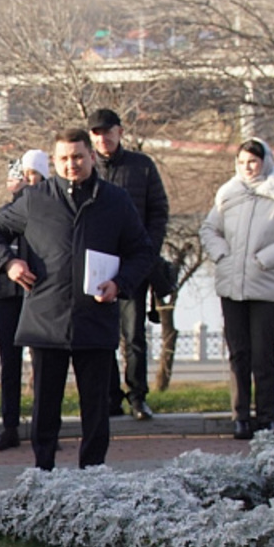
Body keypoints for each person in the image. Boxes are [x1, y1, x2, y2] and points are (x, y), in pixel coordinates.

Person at [0, 128, 152, 471]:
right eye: (64, 159)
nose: (71, 164)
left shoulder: (115, 201)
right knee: (45, 406)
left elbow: (142, 252)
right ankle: (43, 474)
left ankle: (93, 474)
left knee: (97, 408)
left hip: (96, 317)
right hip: (47, 320)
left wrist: (121, 283)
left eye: (78, 157)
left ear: (91, 157)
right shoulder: (35, 198)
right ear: (54, 161)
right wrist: (9, 263)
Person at [200, 139, 274, 439]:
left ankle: (266, 417)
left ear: (265, 162)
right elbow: (209, 229)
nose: (247, 168)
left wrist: (265, 259)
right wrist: (222, 254)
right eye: (241, 162)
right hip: (231, 288)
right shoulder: (228, 193)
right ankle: (240, 416)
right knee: (239, 354)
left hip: (266, 289)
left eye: (252, 161)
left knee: (263, 356)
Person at [89, 108, 170, 420]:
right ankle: (110, 398)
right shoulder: (86, 168)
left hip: (133, 266)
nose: (103, 138)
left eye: (108, 131)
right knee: (101, 336)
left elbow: (159, 212)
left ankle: (138, 396)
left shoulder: (141, 166)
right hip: (97, 266)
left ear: (120, 132)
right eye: (96, 133)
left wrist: (147, 252)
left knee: (133, 335)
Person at [0, 150, 46, 452]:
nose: (27, 183)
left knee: (44, 361)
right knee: (11, 362)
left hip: (38, 294)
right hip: (7, 294)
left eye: (35, 177)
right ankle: (10, 426)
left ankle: (44, 425)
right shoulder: (5, 215)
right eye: (24, 177)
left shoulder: (48, 213)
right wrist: (9, 259)